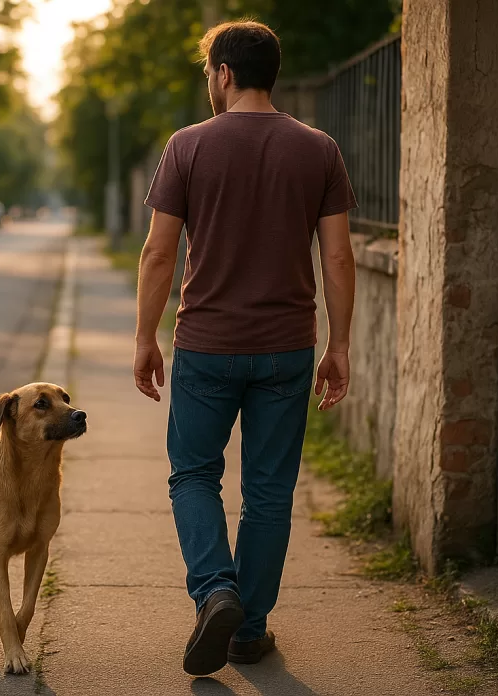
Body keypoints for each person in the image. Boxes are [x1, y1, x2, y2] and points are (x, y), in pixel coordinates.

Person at [134, 20, 357, 677]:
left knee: (194, 474)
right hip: (288, 349)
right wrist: (339, 346)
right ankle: (247, 629)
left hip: (207, 346)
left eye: (209, 71)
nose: (210, 81)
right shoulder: (319, 149)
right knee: (269, 492)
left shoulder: (188, 146)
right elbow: (339, 257)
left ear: (224, 72)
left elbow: (157, 253)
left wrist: (145, 337)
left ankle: (215, 592)